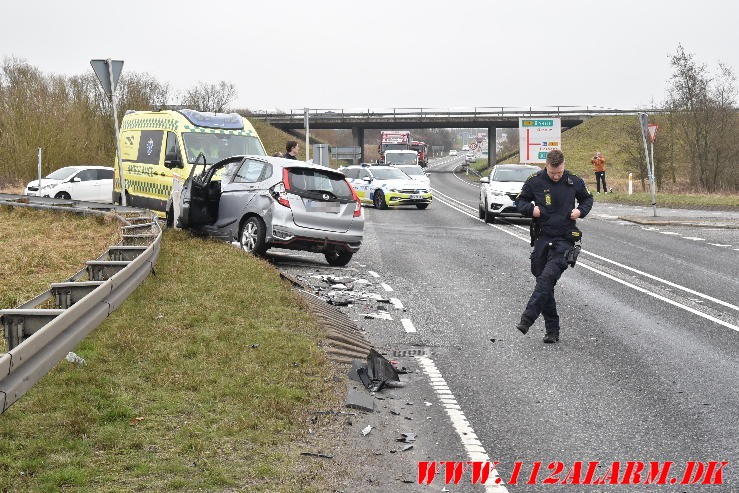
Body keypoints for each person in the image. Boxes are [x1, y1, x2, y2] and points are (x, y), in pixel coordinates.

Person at [514, 149, 593, 343]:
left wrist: (580, 211)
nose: (556, 176)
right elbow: (520, 201)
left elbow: (587, 199)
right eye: (552, 173)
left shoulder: (574, 181)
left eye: (559, 172)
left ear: (563, 165)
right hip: (542, 238)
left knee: (547, 277)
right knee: (544, 283)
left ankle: (527, 319)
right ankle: (552, 331)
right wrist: (531, 210)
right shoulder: (535, 181)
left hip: (564, 239)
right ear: (546, 166)